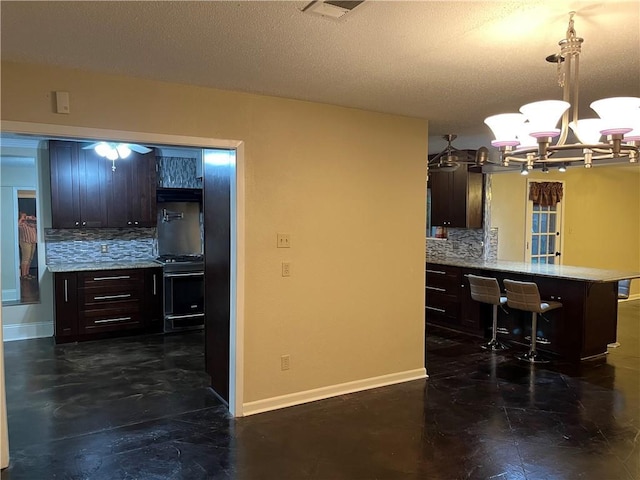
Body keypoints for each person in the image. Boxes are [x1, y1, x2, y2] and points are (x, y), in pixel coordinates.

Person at [18, 211, 37, 279]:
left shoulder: (30, 223)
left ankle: (27, 273)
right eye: (24, 216)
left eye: (26, 216)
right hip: (25, 242)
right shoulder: (21, 224)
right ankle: (23, 275)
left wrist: (30, 218)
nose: (25, 217)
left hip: (33, 242)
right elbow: (17, 225)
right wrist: (21, 219)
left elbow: (38, 221)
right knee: (25, 258)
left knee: (30, 258)